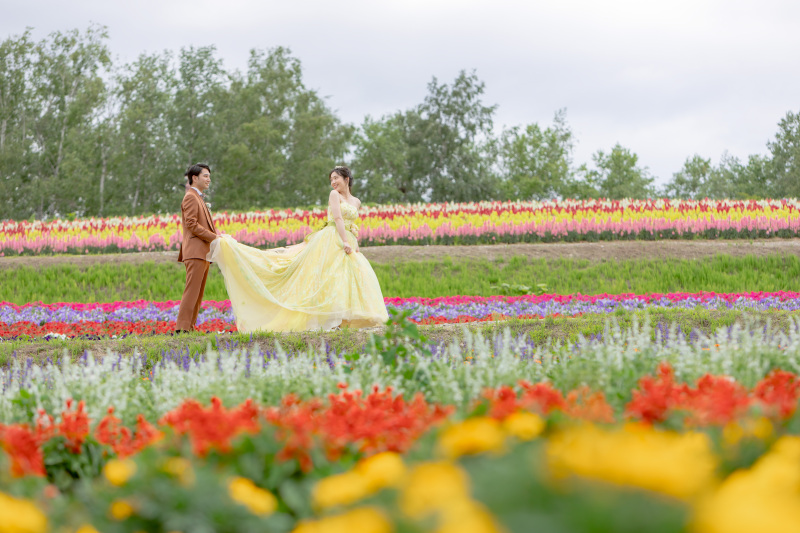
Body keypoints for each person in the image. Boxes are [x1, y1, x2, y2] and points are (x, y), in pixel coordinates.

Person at [208, 165, 388, 332]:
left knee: (348, 277)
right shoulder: (334, 195)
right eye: (331, 179)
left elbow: (352, 225)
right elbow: (338, 219)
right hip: (333, 238)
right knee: (330, 276)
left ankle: (343, 319)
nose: (333, 182)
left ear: (347, 178)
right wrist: (344, 241)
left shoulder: (356, 201)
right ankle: (331, 320)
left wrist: (354, 243)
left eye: (336, 178)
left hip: (348, 239)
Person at [176, 163, 218, 333]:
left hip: (203, 252)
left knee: (198, 293)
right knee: (192, 291)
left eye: (209, 176)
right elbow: (192, 224)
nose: (209, 179)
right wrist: (215, 238)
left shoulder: (198, 197)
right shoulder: (190, 197)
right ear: (195, 178)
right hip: (195, 251)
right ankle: (182, 328)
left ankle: (190, 327)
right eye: (205, 176)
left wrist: (217, 238)